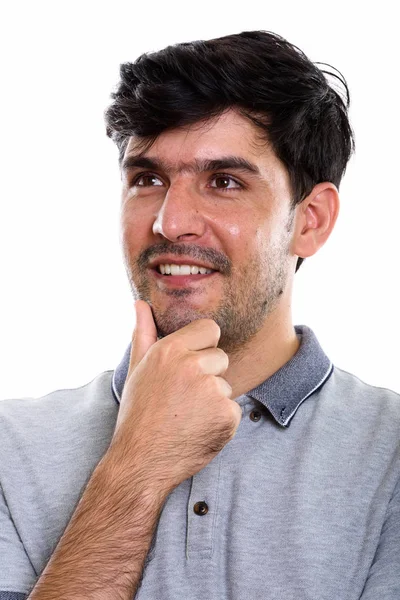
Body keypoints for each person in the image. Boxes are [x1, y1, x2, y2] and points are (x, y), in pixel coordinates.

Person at [0, 30, 399, 600]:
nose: (170, 221)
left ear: (310, 220)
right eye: (148, 179)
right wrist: (137, 463)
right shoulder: (9, 448)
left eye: (224, 182)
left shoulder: (390, 452)